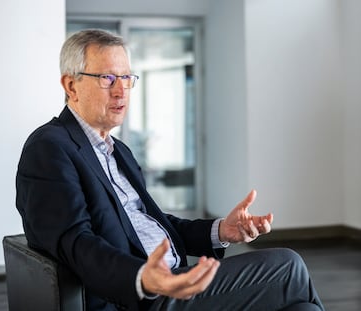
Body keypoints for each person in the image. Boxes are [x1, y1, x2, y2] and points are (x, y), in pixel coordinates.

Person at [16, 29, 325, 311]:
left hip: (174, 279)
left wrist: (221, 231)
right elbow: (76, 243)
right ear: (71, 85)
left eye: (126, 78)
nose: (121, 90)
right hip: (141, 297)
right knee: (288, 265)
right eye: (107, 78)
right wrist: (143, 279)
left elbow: (155, 223)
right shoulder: (49, 147)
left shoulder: (118, 150)